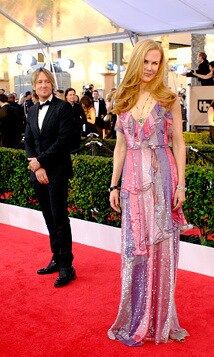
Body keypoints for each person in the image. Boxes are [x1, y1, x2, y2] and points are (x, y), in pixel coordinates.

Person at [108, 39, 189, 347]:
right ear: (136, 61)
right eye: (146, 62)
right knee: (134, 251)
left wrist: (181, 183)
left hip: (162, 178)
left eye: (156, 63)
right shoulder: (123, 97)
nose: (151, 68)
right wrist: (113, 184)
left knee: (163, 250)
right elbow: (120, 145)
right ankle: (135, 316)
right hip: (131, 182)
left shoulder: (169, 98)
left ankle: (160, 319)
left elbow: (178, 142)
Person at [25, 68, 76, 288]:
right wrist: (36, 167)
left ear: (52, 85)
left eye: (47, 81)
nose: (43, 85)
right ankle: (56, 258)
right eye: (39, 82)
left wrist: (41, 162)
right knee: (48, 217)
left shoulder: (63, 108)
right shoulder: (32, 110)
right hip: (40, 172)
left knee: (59, 218)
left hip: (57, 171)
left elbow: (65, 141)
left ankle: (67, 266)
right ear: (34, 86)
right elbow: (28, 141)